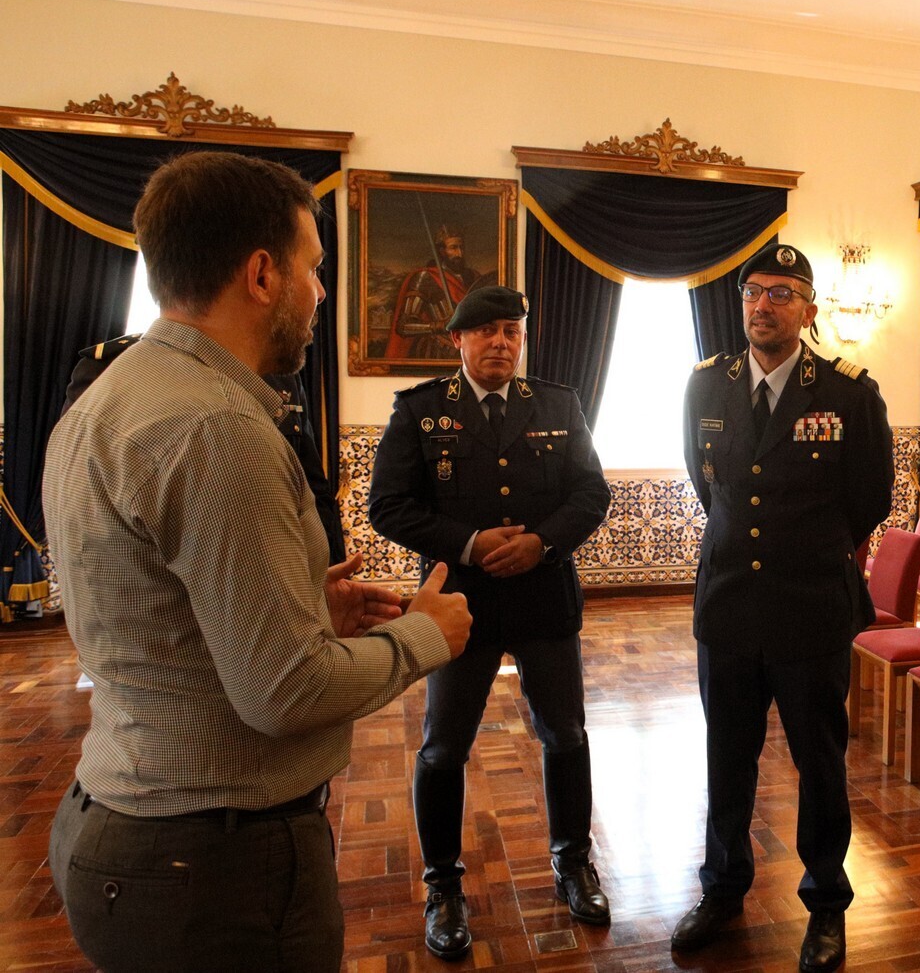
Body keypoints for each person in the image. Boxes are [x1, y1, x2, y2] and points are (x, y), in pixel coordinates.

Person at [41, 150, 473, 973]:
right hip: (214, 869)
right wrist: (426, 634)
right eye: (314, 268)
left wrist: (303, 605)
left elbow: (151, 614)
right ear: (263, 274)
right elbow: (285, 691)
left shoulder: (110, 398)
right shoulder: (219, 428)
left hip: (123, 819)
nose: (321, 293)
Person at [368, 284, 613, 959]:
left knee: (566, 735)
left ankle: (573, 862)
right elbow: (387, 505)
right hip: (457, 606)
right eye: (486, 332)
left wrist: (542, 542)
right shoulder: (420, 411)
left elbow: (592, 492)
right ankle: (443, 886)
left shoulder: (559, 404)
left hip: (543, 599)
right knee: (443, 747)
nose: (501, 342)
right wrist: (470, 544)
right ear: (457, 340)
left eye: (511, 331)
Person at [673, 242, 893, 973]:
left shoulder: (849, 393)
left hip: (811, 608)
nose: (763, 305)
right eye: (753, 292)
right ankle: (722, 888)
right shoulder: (707, 385)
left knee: (819, 763)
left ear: (809, 309)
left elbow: (869, 499)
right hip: (729, 604)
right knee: (726, 758)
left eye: (781, 293)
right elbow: (710, 486)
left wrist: (806, 546)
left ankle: (826, 903)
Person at [63, 336, 347, 562]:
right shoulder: (112, 366)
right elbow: (82, 499)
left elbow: (312, 487)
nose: (320, 292)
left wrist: (327, 572)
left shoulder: (279, 375)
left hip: (283, 561)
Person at [386, 224, 490, 359]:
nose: (459, 253)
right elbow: (404, 326)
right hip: (438, 352)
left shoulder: (474, 277)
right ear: (441, 251)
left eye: (461, 247)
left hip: (470, 350)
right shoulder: (426, 278)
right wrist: (441, 325)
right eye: (453, 248)